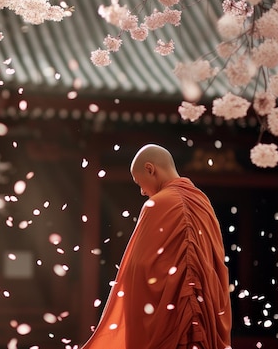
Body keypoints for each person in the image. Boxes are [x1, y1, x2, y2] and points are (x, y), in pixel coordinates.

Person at [81, 144, 232, 349]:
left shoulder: (159, 203)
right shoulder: (203, 202)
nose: (142, 191)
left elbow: (139, 268)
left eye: (139, 183)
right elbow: (215, 264)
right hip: (204, 315)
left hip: (173, 320)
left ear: (150, 169)